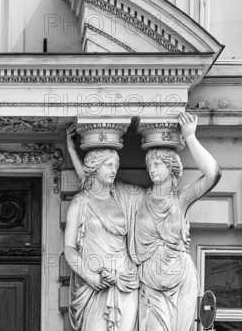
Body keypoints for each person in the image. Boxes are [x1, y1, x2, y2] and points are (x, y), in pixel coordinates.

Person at [131, 112, 221, 331]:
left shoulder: (180, 199)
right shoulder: (137, 199)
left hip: (180, 277)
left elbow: (212, 174)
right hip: (151, 279)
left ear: (171, 168)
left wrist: (190, 137)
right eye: (150, 164)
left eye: (158, 164)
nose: (152, 169)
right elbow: (97, 187)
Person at [64, 125, 140, 331]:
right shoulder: (81, 202)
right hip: (95, 281)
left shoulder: (122, 198)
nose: (113, 169)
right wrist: (89, 276)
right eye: (108, 165)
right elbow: (69, 249)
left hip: (125, 280)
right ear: (95, 167)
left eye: (115, 164)